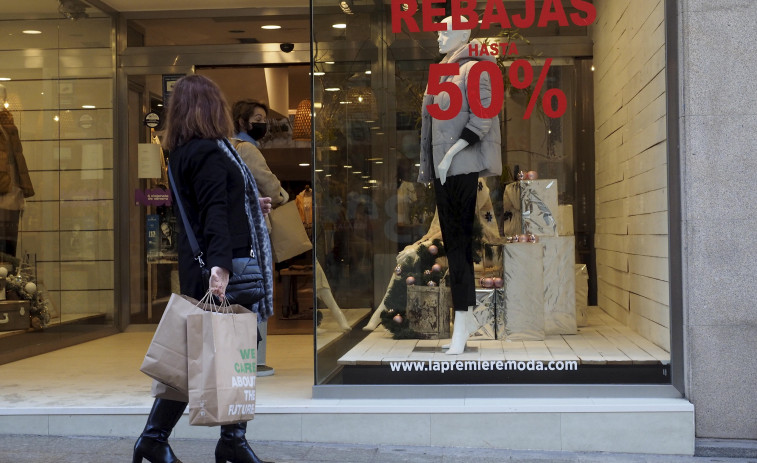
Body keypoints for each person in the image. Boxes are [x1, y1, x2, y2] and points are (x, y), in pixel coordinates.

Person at [132, 75, 273, 463]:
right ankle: (209, 441)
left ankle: (163, 439)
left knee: (212, 351)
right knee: (232, 349)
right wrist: (221, 268)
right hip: (222, 267)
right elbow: (212, 212)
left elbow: (206, 206)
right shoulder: (212, 151)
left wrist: (248, 205)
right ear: (212, 108)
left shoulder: (180, 152)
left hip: (202, 264)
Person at [417, 16, 502, 354]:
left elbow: (483, 118)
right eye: (438, 29)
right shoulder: (443, 70)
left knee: (460, 247)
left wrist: (450, 154)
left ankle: (462, 325)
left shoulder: (475, 68)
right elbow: (432, 124)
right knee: (454, 245)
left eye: (445, 30)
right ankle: (461, 324)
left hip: (459, 169)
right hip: (444, 170)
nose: (439, 34)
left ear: (464, 34)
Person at [230, 99, 288, 377]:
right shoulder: (248, 150)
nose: (262, 123)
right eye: (256, 118)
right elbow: (270, 186)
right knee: (258, 291)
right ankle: (254, 359)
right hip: (254, 231)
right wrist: (282, 197)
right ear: (242, 122)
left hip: (232, 231)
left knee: (238, 291)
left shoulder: (224, 147)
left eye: (264, 117)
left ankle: (237, 357)